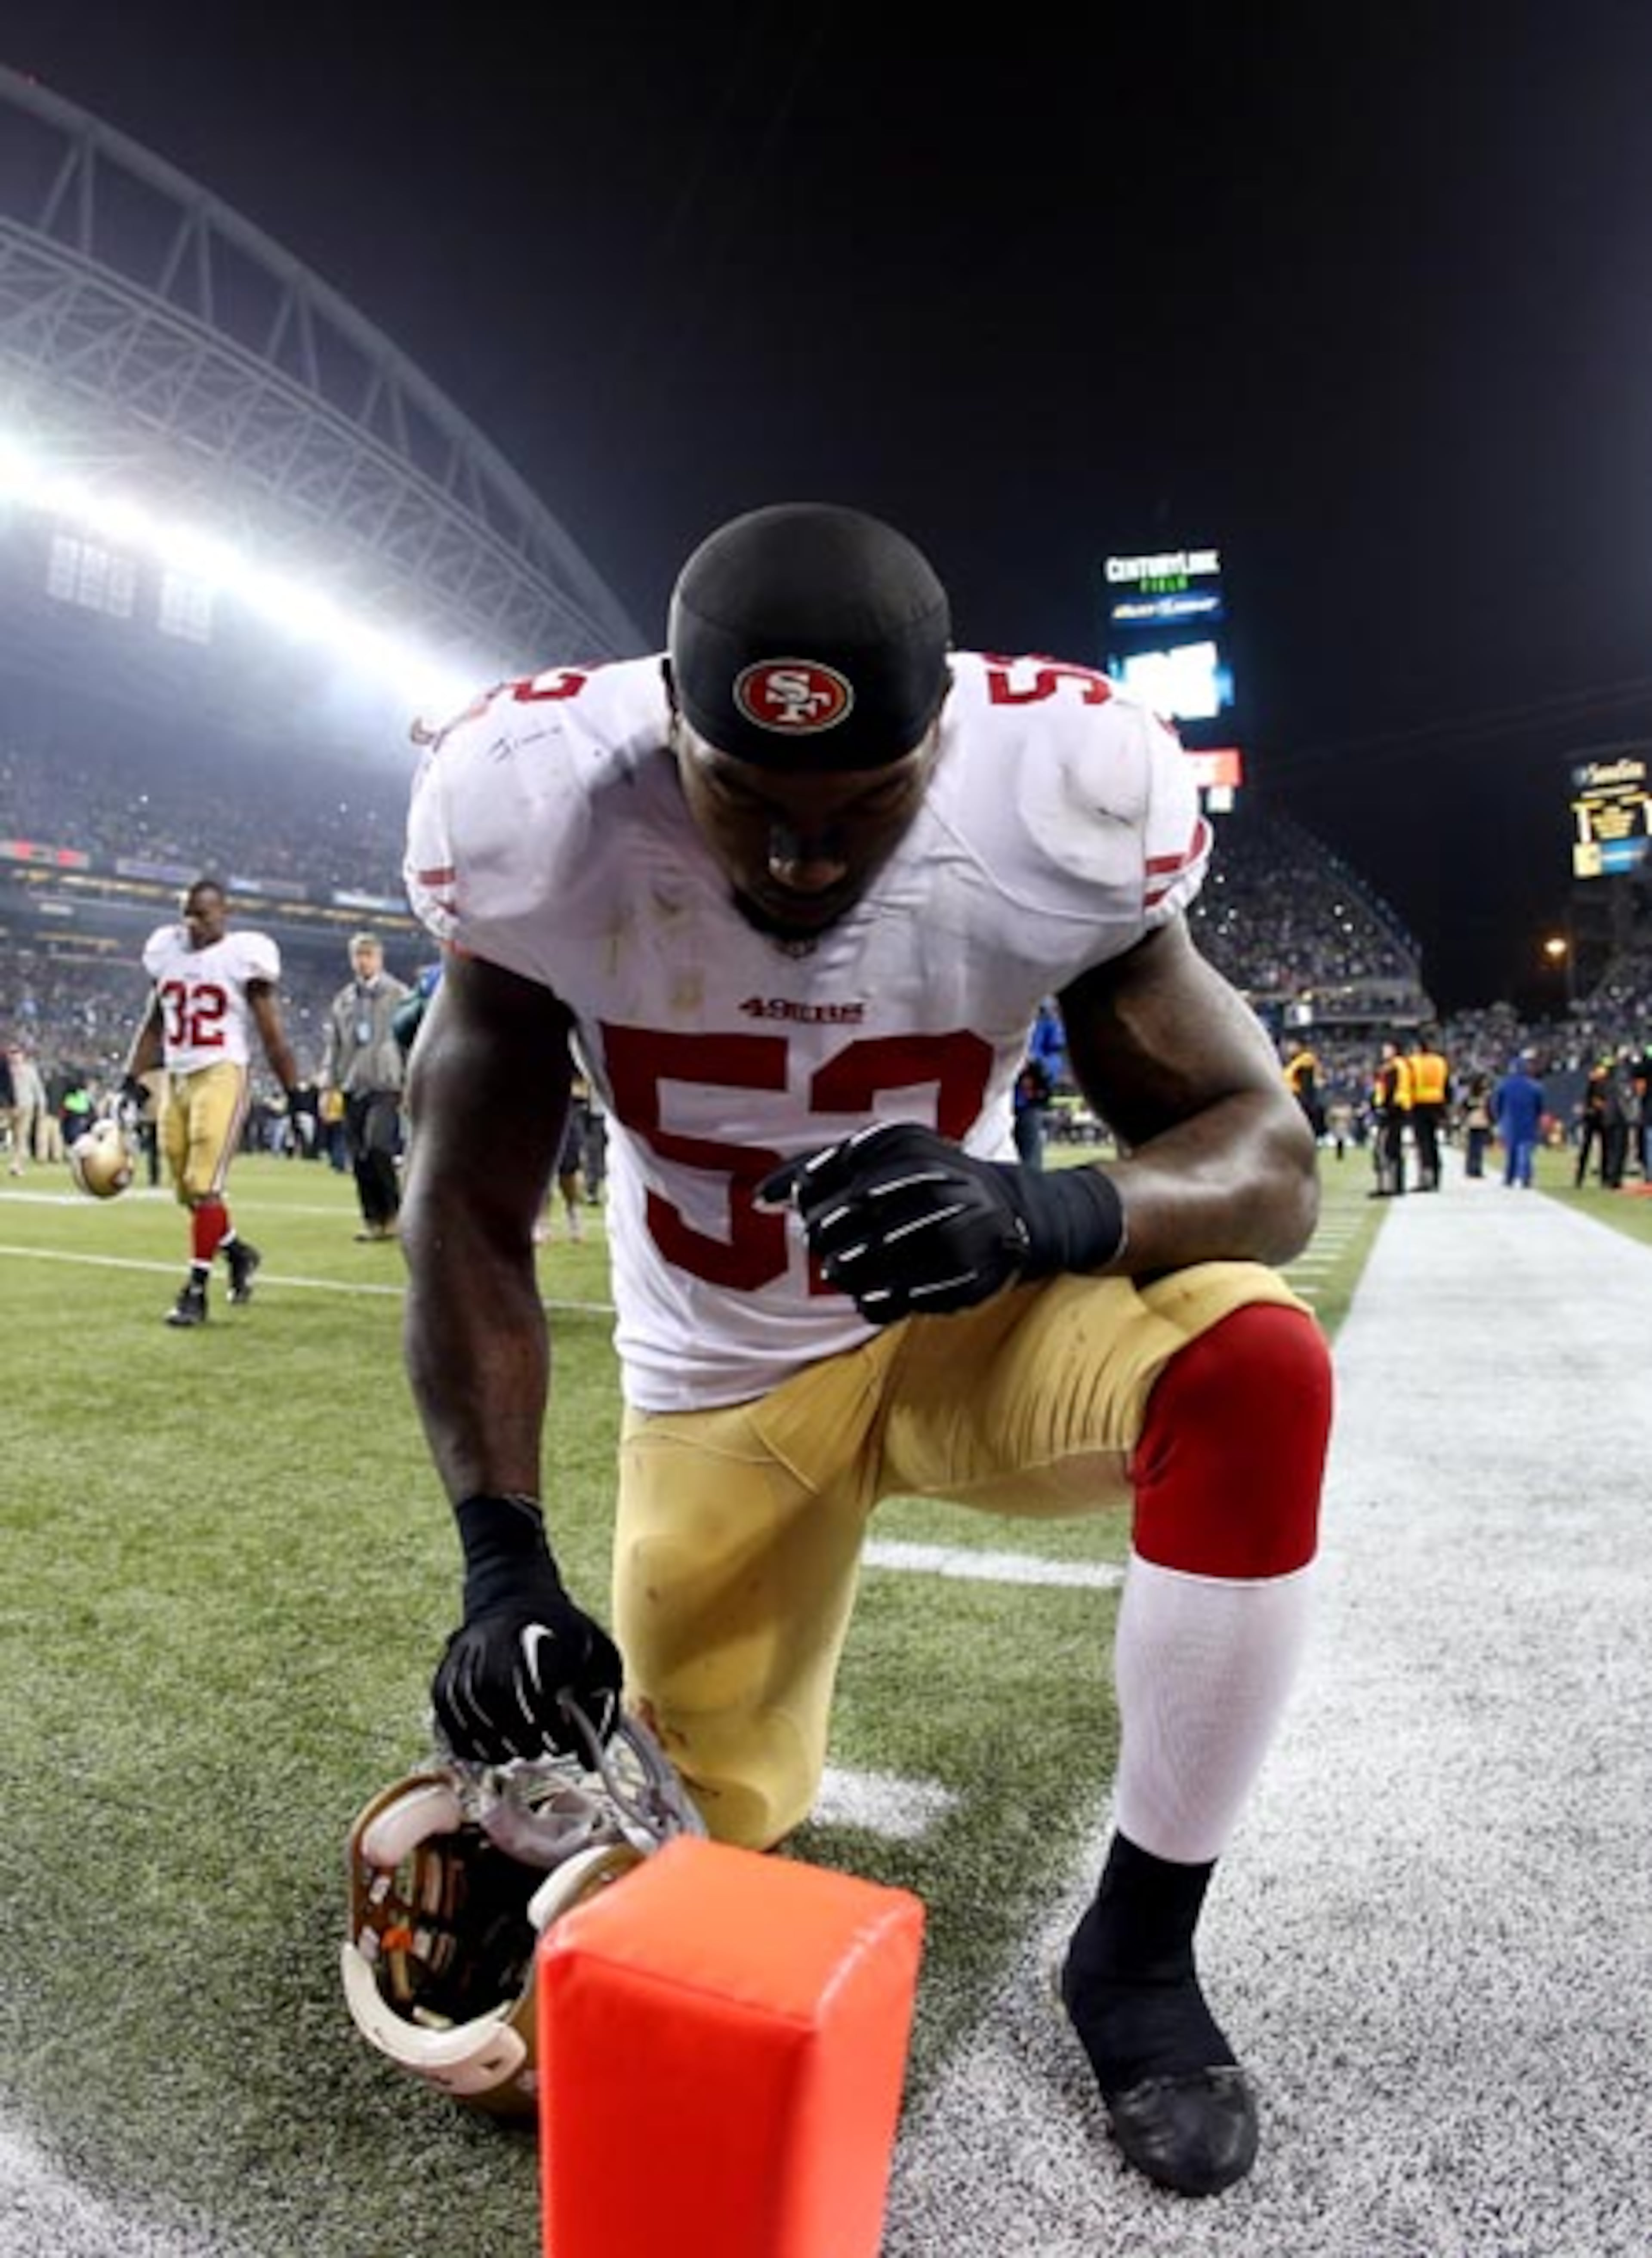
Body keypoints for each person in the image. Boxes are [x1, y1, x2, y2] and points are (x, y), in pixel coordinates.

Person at [398, 503, 1331, 2200]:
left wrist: (1038, 1210)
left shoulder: (1062, 796)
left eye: (861, 806)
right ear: (668, 726)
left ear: (946, 743)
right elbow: (464, 1205)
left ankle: (1137, 1953)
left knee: (1256, 1371)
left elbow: (1269, 1162)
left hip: (968, 1320)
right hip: (725, 1385)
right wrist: (501, 1556)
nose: (804, 857)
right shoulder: (535, 806)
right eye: (747, 798)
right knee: (677, 1889)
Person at [120, 876, 299, 1325]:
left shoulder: (243, 956)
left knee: (204, 1184)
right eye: (187, 915)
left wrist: (296, 1093)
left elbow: (272, 1033)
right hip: (177, 1077)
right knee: (186, 1190)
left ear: (224, 913)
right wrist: (131, 1077)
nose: (193, 924)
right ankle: (237, 1252)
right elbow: (154, 1023)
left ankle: (196, 1291)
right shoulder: (168, 953)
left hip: (222, 1072)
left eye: (202, 915)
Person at [321, 933, 411, 1241]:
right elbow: (334, 1046)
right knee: (359, 1157)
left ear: (380, 958)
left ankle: (395, 1214)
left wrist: (409, 1080)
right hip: (352, 1084)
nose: (363, 962)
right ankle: (374, 1220)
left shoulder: (399, 995)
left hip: (387, 1084)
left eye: (369, 955)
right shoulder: (344, 1000)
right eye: (358, 956)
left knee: (378, 1146)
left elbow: (411, 1040)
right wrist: (328, 1087)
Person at [1405, 1029, 1450, 1192]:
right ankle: (1436, 1175)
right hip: (1437, 1104)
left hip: (1419, 1104)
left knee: (1422, 1143)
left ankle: (1425, 1177)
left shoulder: (1413, 1063)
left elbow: (1408, 1084)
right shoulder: (1440, 1062)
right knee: (1433, 1142)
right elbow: (1447, 1086)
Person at [1493, 1049, 1545, 1189]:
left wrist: (1498, 1119)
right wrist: (1537, 1119)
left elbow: (1496, 1104)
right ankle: (1525, 1177)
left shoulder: (1503, 1085)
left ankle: (1509, 1178)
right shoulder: (1535, 1086)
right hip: (1528, 1122)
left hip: (1509, 1121)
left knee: (1511, 1151)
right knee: (1525, 1151)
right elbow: (1540, 1106)